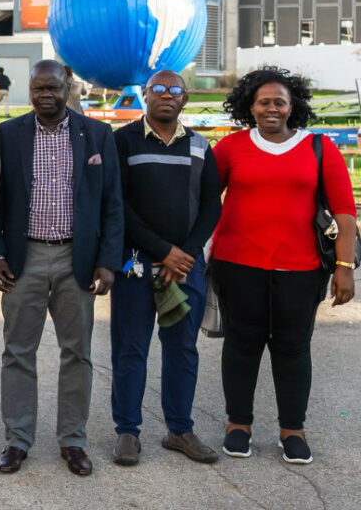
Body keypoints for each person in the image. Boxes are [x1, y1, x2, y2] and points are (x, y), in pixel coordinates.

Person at [0, 59, 123, 477]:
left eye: (54, 88)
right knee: (17, 353)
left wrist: (107, 261)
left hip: (75, 260)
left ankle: (73, 441)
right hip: (23, 258)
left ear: (68, 89)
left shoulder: (96, 134)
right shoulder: (9, 134)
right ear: (30, 89)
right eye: (39, 88)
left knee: (77, 354)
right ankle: (18, 440)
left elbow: (113, 204)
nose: (46, 95)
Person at [211, 67, 355, 464]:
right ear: (250, 107)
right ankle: (238, 425)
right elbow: (206, 202)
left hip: (302, 268)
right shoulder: (230, 148)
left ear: (293, 107)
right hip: (238, 265)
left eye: (279, 102)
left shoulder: (318, 147)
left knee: (292, 348)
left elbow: (344, 211)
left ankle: (293, 430)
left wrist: (344, 265)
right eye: (263, 102)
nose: (271, 108)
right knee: (242, 345)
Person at [110, 70, 222, 466]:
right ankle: (127, 431)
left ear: (185, 99)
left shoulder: (199, 146)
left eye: (175, 90)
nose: (166, 95)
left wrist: (185, 254)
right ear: (144, 95)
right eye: (158, 89)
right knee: (130, 349)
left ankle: (180, 429)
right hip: (136, 264)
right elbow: (119, 204)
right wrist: (161, 250)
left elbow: (212, 205)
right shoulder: (121, 141)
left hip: (185, 267)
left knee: (182, 350)